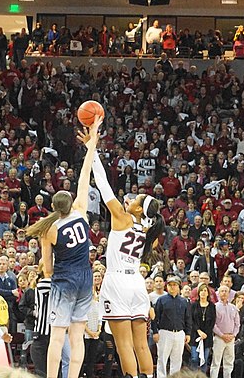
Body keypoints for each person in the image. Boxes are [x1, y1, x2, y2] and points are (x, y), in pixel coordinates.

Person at [25, 116, 102, 378]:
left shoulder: (49, 229)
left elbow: (47, 269)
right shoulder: (81, 211)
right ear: (69, 202)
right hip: (85, 279)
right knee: (77, 336)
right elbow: (84, 173)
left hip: (65, 280)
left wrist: (52, 278)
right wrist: (92, 144)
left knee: (57, 336)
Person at [88, 135, 165, 378]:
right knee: (141, 344)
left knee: (123, 345)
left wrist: (92, 150)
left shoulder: (122, 218)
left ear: (140, 210)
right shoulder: (147, 230)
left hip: (118, 283)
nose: (131, 198)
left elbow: (103, 185)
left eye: (137, 199)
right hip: (137, 284)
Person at [152, 275, 192, 378]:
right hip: (165, 332)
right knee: (162, 358)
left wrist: (187, 333)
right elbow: (154, 317)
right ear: (167, 287)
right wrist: (155, 332)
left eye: (174, 285)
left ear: (179, 287)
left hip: (179, 333)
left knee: (177, 359)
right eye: (170, 285)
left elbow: (188, 318)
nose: (172, 287)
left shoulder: (184, 301)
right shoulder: (161, 300)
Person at [210, 285, 240, 378]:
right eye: (222, 291)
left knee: (229, 362)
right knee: (216, 362)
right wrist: (222, 335)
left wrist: (233, 335)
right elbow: (213, 324)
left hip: (231, 338)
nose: (224, 293)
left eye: (226, 291)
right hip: (219, 338)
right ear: (218, 293)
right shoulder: (214, 307)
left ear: (229, 293)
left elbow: (237, 324)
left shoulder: (234, 308)